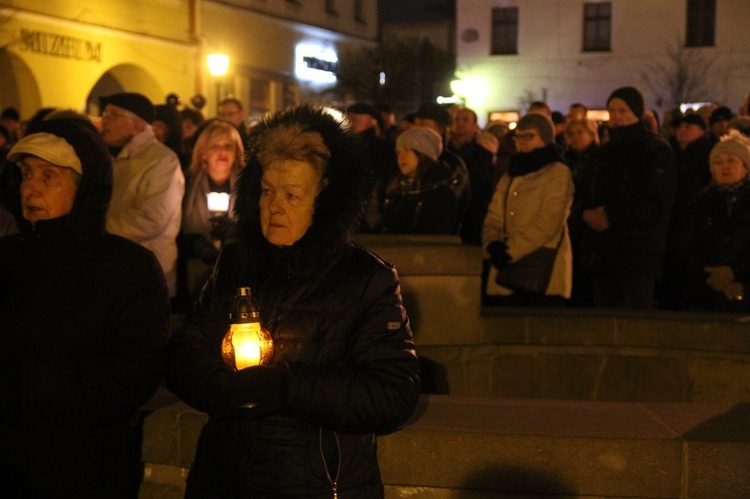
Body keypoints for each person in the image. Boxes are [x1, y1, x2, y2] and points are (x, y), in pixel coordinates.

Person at [165, 104, 421, 498]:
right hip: (224, 476)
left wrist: (288, 387)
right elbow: (185, 349)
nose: (275, 207)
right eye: (267, 191)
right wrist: (217, 385)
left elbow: (392, 393)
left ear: (325, 203)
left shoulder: (366, 278)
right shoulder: (236, 263)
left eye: (292, 195)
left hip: (314, 481)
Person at [0, 117, 170, 497]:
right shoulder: (8, 258)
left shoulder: (128, 268)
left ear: (85, 186)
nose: (31, 188)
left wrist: (24, 388)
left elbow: (132, 373)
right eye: (27, 174)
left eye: (49, 176)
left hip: (83, 466)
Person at [574, 86, 676, 309]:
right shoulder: (601, 154)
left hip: (638, 253)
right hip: (602, 253)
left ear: (637, 113)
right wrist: (585, 214)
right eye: (613, 111)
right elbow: (583, 193)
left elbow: (656, 202)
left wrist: (612, 217)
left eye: (623, 111)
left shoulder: (656, 150)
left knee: (635, 319)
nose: (617, 117)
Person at [483, 113, 574, 307]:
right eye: (519, 136)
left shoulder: (557, 172)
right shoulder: (512, 172)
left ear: (545, 137)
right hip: (505, 265)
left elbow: (549, 221)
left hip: (539, 266)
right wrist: (492, 243)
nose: (522, 141)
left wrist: (510, 251)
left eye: (529, 136)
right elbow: (495, 214)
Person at [101, 92, 185, 298]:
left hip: (147, 272)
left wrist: (98, 229)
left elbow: (151, 219)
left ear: (138, 125)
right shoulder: (120, 156)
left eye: (113, 114)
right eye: (105, 113)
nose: (105, 120)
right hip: (121, 267)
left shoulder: (162, 160)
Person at [672, 131, 750, 311]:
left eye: (731, 161)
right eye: (718, 162)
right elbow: (683, 246)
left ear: (745, 166)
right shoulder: (700, 203)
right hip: (704, 294)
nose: (725, 167)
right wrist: (713, 275)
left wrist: (734, 272)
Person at [179, 119, 244, 304]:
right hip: (196, 269)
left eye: (228, 146)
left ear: (236, 152)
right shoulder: (185, 183)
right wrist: (194, 244)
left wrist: (236, 230)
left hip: (237, 272)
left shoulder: (249, 187)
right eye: (215, 145)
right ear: (203, 152)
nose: (222, 151)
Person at [379, 126, 462, 234]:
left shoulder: (440, 192)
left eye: (407, 150)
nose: (401, 157)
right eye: (398, 152)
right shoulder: (397, 188)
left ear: (423, 154)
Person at [564, 118, 600, 307]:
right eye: (572, 133)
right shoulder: (565, 160)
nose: (576, 137)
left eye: (580, 132)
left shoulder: (598, 158)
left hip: (587, 221)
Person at [447, 107, 495, 245]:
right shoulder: (447, 151)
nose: (460, 123)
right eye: (457, 119)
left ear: (474, 126)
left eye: (465, 120)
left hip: (473, 211)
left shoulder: (482, 152)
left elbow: (483, 183)